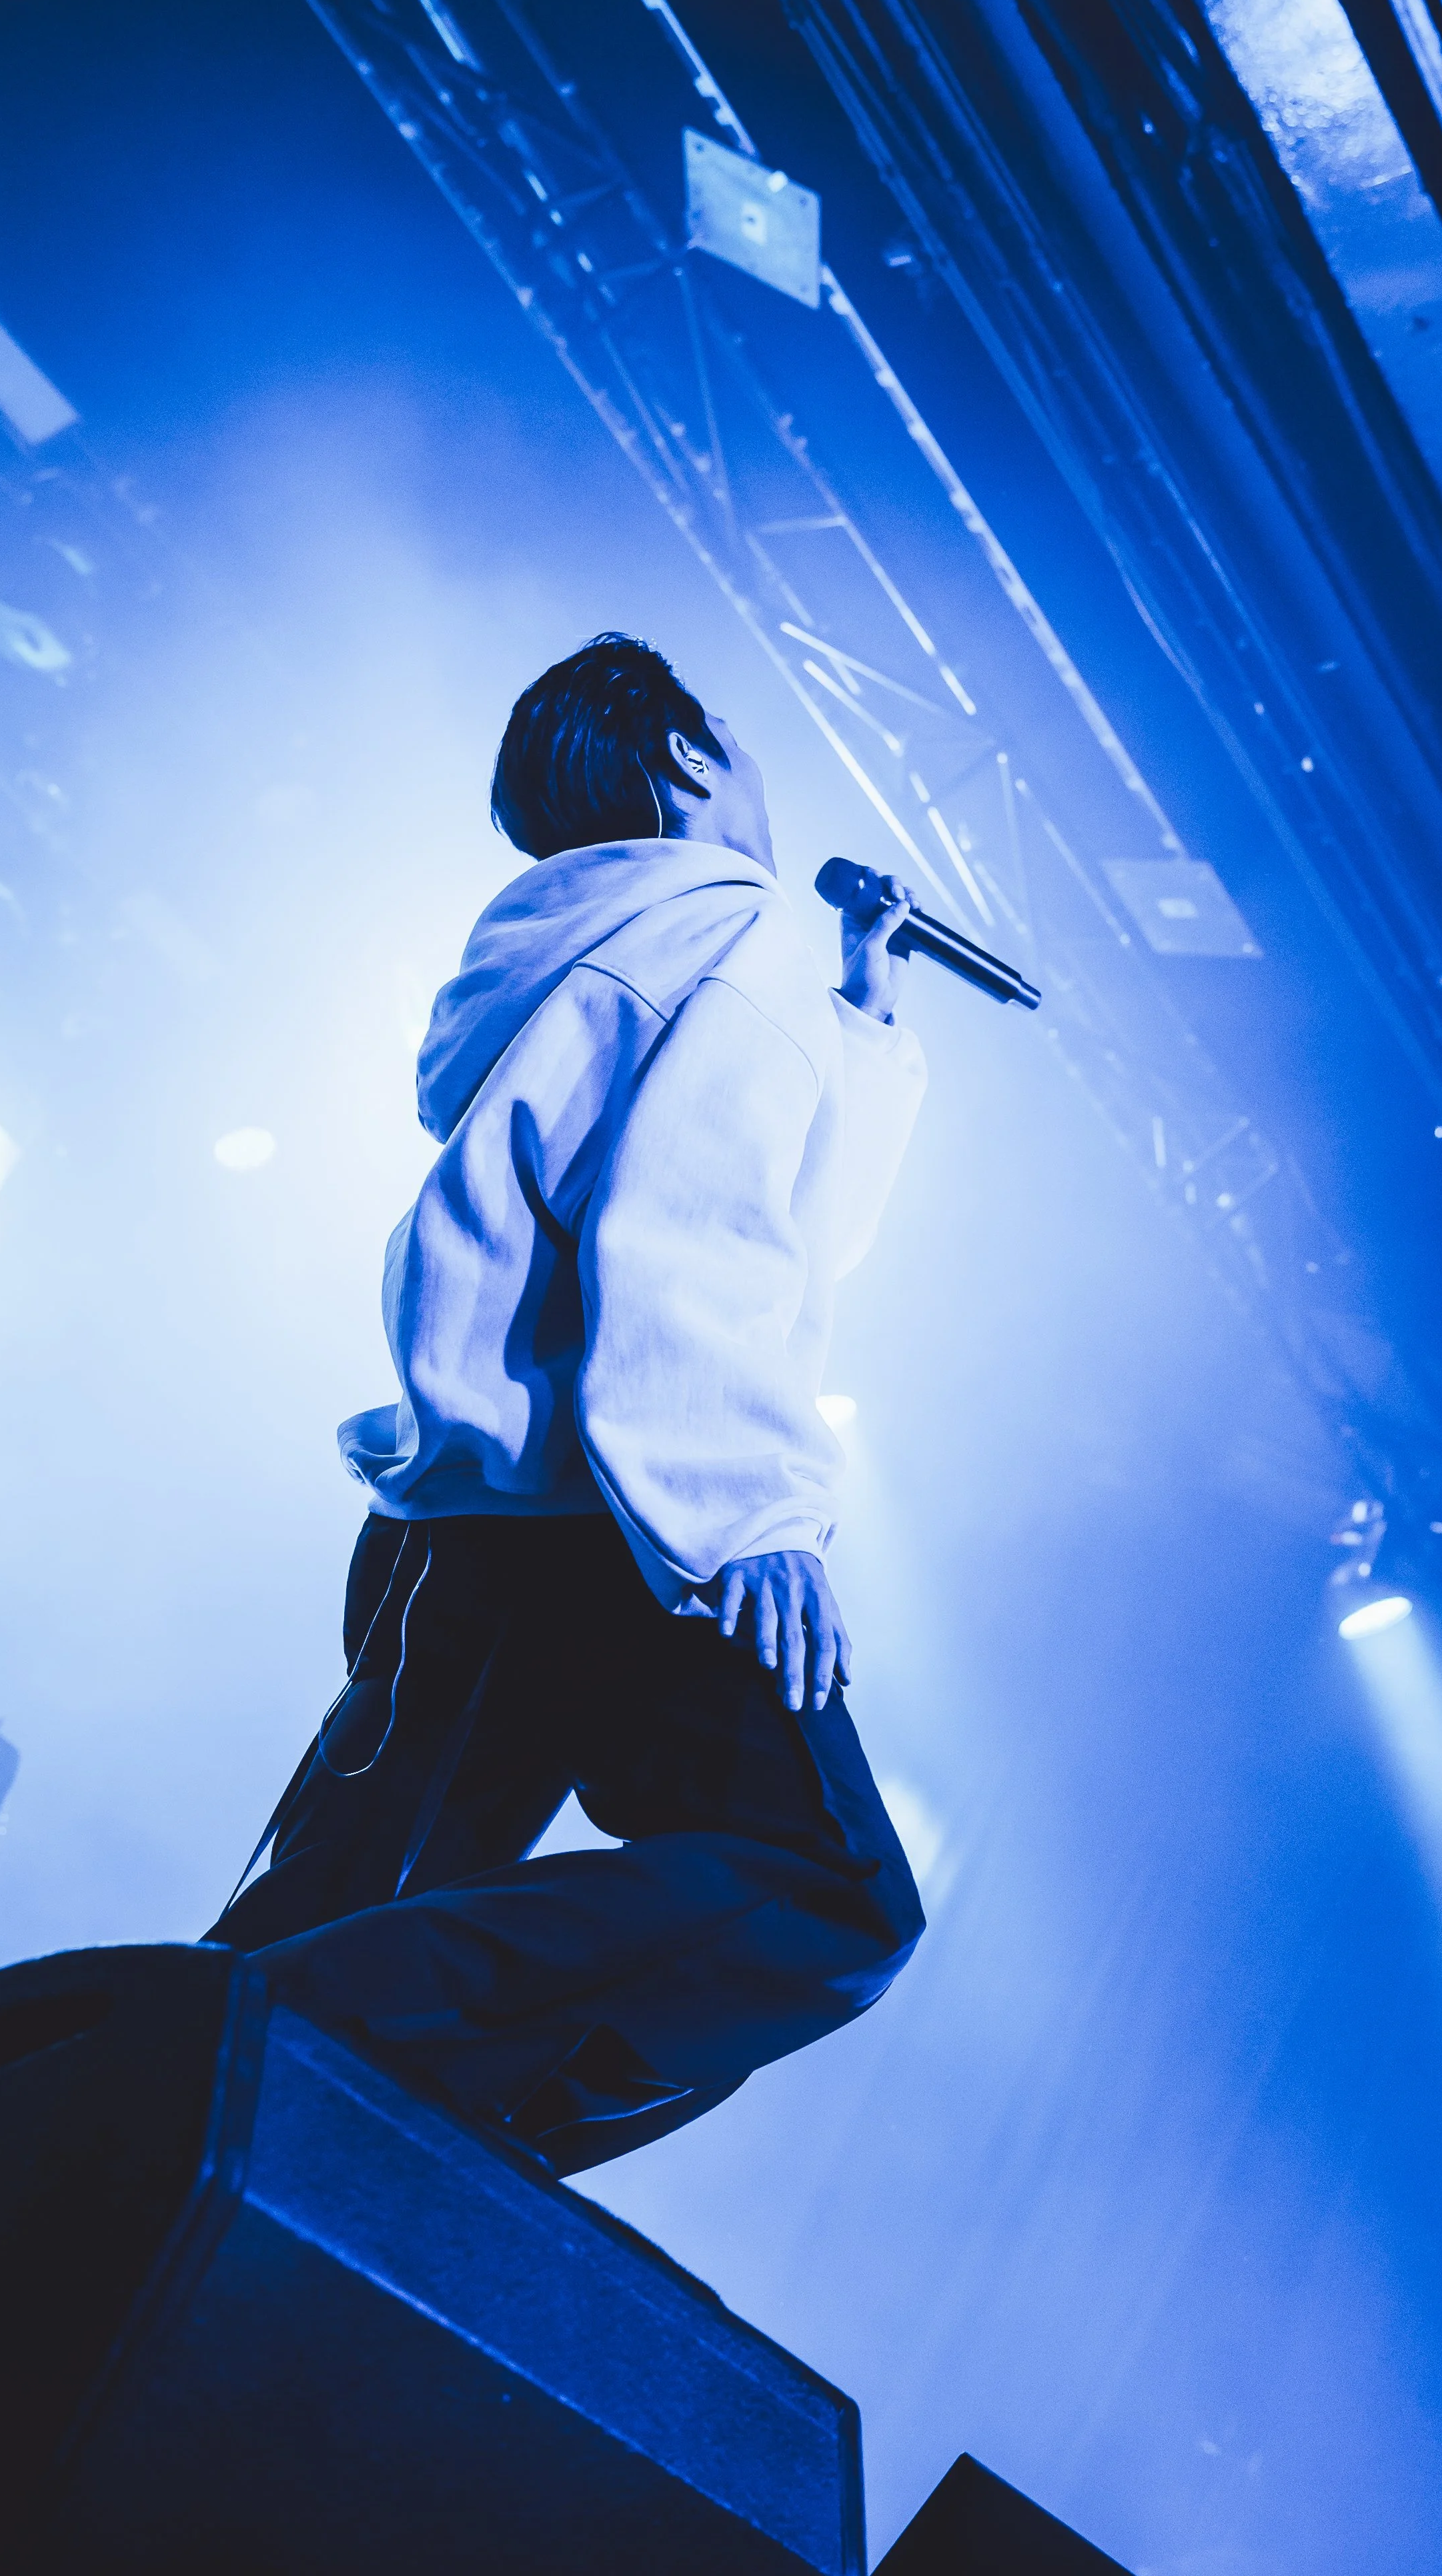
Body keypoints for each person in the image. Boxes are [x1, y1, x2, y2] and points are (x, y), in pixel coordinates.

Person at [210, 632, 928, 2174]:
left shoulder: (582, 948)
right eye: (732, 739)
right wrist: (749, 1517)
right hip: (606, 1507)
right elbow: (697, 1224)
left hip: (463, 1523)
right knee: (826, 1890)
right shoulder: (739, 935)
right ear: (679, 765)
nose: (760, 771)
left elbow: (771, 1211)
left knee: (356, 1887)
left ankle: (187, 2105)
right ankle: (313, 2079)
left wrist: (859, 1010)